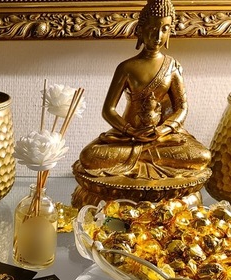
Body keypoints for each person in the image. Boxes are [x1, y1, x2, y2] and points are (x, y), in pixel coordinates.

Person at [74, 0, 211, 182]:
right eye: (152, 29)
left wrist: (163, 130)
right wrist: (131, 131)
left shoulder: (172, 66)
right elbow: (108, 110)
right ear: (140, 30)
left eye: (164, 29)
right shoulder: (126, 67)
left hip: (162, 138)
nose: (158, 36)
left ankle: (140, 156)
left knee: (202, 156)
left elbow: (182, 108)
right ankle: (145, 155)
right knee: (89, 156)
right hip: (127, 137)